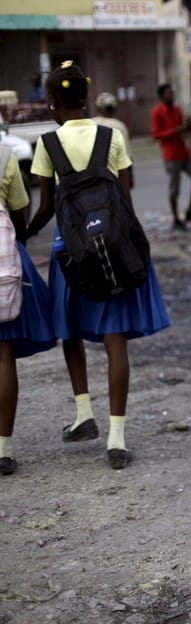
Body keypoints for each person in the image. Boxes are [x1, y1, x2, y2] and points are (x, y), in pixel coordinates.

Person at [27, 60, 171, 470]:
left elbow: (46, 207)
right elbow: (125, 199)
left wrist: (22, 235)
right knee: (115, 340)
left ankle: (83, 414)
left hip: (69, 253)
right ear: (86, 99)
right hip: (113, 248)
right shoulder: (111, 136)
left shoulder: (48, 144)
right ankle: (116, 438)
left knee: (70, 331)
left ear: (51, 102)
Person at [0, 136, 58, 475]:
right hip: (3, 264)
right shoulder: (4, 154)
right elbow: (19, 215)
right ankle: (3, 449)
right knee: (3, 354)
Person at [150, 82, 191, 231]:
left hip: (184, 152)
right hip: (171, 155)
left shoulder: (177, 110)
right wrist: (175, 130)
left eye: (172, 93)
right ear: (162, 97)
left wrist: (189, 126)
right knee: (174, 189)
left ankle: (190, 211)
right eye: (168, 94)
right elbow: (156, 135)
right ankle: (176, 218)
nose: (172, 96)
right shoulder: (157, 112)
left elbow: (184, 130)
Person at [92, 92, 134, 189]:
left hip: (94, 175)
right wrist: (130, 177)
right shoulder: (119, 126)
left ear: (98, 108)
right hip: (115, 175)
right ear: (115, 109)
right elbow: (127, 155)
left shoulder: (91, 123)